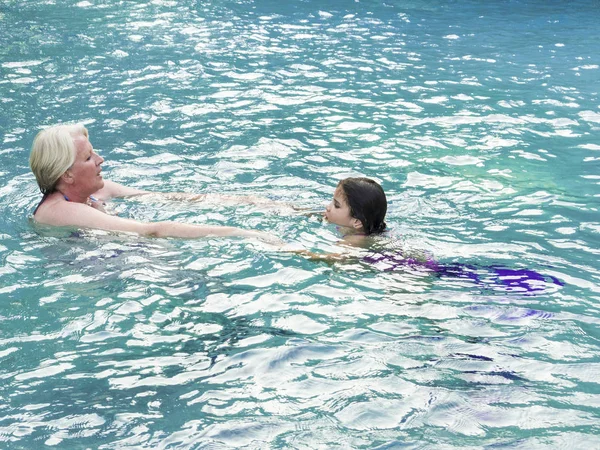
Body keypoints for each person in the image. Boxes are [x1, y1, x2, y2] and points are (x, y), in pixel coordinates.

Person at [29, 123, 281, 242]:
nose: (100, 159)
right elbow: (151, 230)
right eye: (88, 157)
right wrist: (244, 234)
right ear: (67, 175)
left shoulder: (97, 191)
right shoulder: (60, 211)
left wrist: (251, 202)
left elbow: (167, 198)